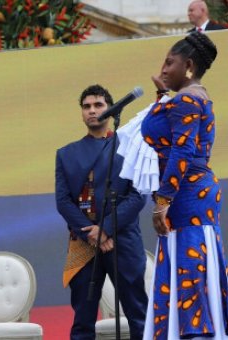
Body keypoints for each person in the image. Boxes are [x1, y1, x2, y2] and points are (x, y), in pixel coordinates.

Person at [141, 32, 228, 339]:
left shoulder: (187, 99)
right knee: (190, 261)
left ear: (188, 65)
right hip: (191, 193)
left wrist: (163, 201)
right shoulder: (190, 97)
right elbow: (173, 134)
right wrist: (162, 98)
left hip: (187, 194)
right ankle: (191, 331)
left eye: (169, 62)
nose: (162, 68)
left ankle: (196, 333)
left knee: (190, 263)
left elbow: (182, 151)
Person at [55, 85, 148, 340]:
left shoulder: (129, 147)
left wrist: (105, 229)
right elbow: (63, 202)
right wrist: (92, 235)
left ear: (110, 109)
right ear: (81, 113)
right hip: (84, 244)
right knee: (83, 320)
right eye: (87, 106)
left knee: (138, 313)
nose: (92, 111)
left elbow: (138, 195)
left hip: (123, 240)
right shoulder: (66, 154)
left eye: (98, 105)